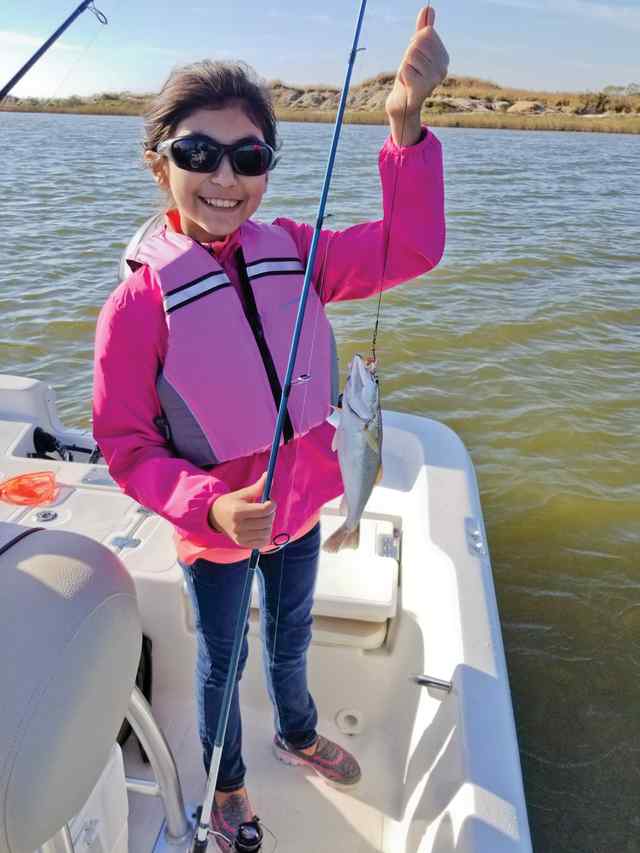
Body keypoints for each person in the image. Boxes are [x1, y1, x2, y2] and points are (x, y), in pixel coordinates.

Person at [93, 5, 448, 849]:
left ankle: (295, 730)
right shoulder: (137, 306)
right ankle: (229, 782)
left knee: (293, 636)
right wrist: (209, 508)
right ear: (159, 165)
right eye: (198, 154)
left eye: (248, 156)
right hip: (214, 533)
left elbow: (411, 249)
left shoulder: (297, 248)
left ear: (268, 167)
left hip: (303, 511)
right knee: (221, 663)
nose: (225, 176)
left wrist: (407, 130)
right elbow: (125, 444)